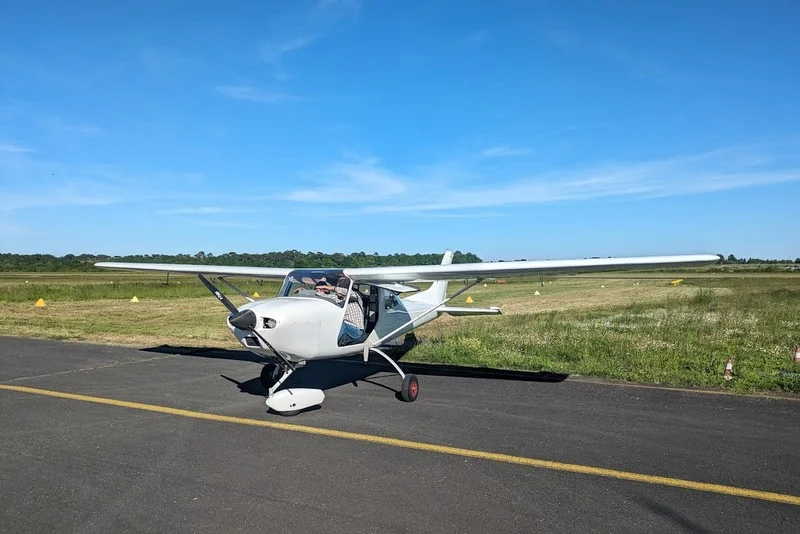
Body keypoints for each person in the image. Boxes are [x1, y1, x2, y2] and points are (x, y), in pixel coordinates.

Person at [334, 276, 364, 345]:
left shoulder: (356, 296)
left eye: (340, 286)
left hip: (357, 331)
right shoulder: (337, 299)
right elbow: (326, 297)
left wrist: (332, 288)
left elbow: (347, 293)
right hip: (346, 332)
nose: (339, 289)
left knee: (341, 324)